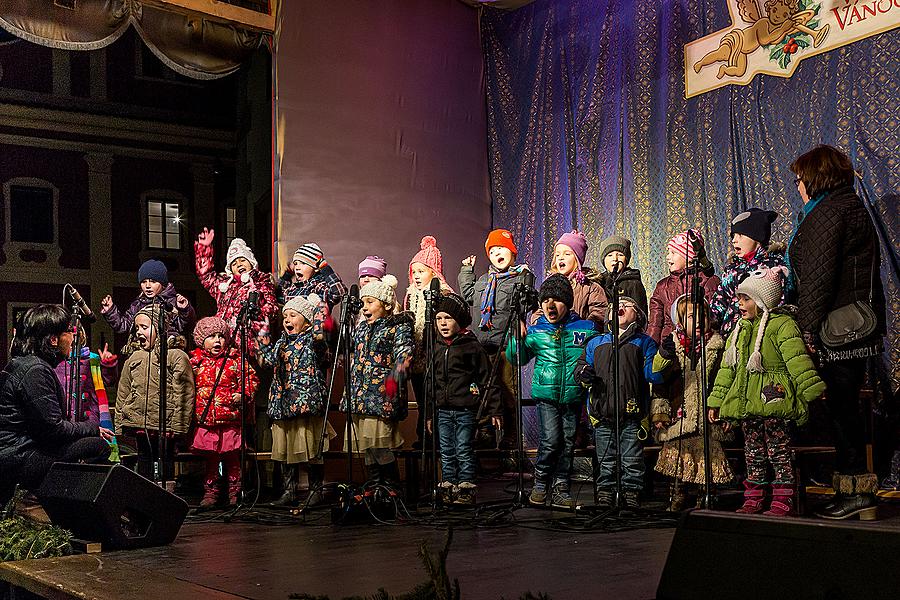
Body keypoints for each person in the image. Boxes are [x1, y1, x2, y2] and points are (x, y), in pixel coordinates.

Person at [786, 144, 887, 520]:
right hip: (850, 328)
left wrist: (807, 333)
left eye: (800, 179)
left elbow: (817, 280)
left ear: (815, 178)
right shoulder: (844, 207)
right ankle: (853, 491)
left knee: (844, 411)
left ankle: (858, 494)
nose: (798, 186)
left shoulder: (829, 212)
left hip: (838, 331)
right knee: (843, 411)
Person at [708, 266, 826, 517]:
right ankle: (754, 497)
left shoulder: (782, 325)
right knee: (753, 453)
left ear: (762, 301)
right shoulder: (739, 330)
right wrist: (716, 401)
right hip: (748, 405)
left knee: (779, 451)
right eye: (739, 297)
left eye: (746, 298)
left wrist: (812, 389)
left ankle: (783, 497)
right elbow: (727, 369)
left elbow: (797, 360)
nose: (739, 303)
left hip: (774, 401)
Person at [0, 305, 113, 504]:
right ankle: (73, 511)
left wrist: (85, 430)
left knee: (89, 443)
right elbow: (54, 431)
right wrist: (93, 428)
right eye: (69, 332)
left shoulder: (26, 364)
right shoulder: (35, 370)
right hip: (17, 458)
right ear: (53, 339)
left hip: (16, 453)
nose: (73, 337)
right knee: (99, 447)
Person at [508, 274, 596, 509]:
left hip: (572, 396)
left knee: (567, 442)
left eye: (556, 299)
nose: (550, 305)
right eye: (545, 300)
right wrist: (516, 338)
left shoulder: (585, 328)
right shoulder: (537, 331)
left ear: (567, 302)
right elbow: (518, 358)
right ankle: (540, 483)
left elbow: (596, 353)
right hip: (546, 396)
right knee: (550, 439)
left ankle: (561, 486)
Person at [576, 296, 664, 510]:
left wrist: (665, 357)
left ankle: (631, 491)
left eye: (627, 305)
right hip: (602, 412)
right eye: (616, 305)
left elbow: (653, 375)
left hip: (632, 414)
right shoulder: (596, 343)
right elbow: (580, 367)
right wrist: (583, 373)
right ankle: (606, 492)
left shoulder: (644, 343)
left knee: (632, 458)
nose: (620, 307)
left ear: (638, 314)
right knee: (605, 459)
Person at [650, 296, 733, 511]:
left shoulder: (718, 346)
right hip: (680, 414)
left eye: (702, 315)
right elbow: (660, 382)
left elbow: (724, 382)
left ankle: (705, 498)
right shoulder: (671, 347)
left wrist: (726, 412)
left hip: (708, 417)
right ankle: (677, 497)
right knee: (679, 458)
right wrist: (660, 412)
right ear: (679, 320)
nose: (697, 321)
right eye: (690, 316)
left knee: (707, 460)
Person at [258, 294, 335, 507]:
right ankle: (289, 490)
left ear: (307, 321)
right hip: (284, 403)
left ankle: (315, 490)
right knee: (286, 449)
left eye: (293, 315)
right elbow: (268, 360)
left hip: (305, 403)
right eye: (285, 316)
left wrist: (319, 319)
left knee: (310, 448)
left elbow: (323, 352)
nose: (287, 319)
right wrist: (263, 330)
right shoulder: (282, 342)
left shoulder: (313, 340)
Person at [426, 293, 501, 505]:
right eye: (439, 319)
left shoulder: (471, 346)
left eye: (448, 318)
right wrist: (430, 414)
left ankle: (466, 487)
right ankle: (449, 485)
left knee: (463, 449)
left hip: (465, 409)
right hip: (442, 410)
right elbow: (432, 382)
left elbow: (487, 378)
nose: (443, 323)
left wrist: (495, 410)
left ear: (459, 320)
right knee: (446, 451)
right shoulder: (437, 347)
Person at [459, 228, 530, 448]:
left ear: (512, 253)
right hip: (482, 346)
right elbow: (468, 295)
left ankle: (511, 436)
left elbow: (526, 304)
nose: (498, 253)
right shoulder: (483, 280)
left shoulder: (518, 278)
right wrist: (466, 271)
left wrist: (527, 280)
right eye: (494, 250)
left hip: (505, 344)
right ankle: (485, 432)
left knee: (507, 389)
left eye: (503, 248)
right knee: (481, 389)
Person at [345, 275, 414, 488]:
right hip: (361, 394)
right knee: (368, 445)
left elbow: (404, 353)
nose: (364, 307)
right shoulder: (361, 328)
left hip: (381, 394)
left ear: (385, 305)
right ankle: (375, 486)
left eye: (370, 302)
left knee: (380, 444)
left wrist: (396, 376)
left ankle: (390, 486)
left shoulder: (397, 326)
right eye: (363, 303)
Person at [116, 304, 195, 481]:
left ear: (160, 328)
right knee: (144, 458)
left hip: (164, 423)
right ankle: (145, 498)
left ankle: (165, 499)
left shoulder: (175, 355)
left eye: (144, 327)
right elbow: (123, 390)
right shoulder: (134, 358)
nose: (139, 332)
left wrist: (178, 425)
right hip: (139, 421)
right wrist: (121, 423)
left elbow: (184, 392)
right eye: (137, 328)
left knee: (165, 459)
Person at [190, 317, 259, 507]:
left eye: (221, 336)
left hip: (230, 419)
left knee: (232, 459)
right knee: (211, 460)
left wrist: (243, 394)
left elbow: (251, 379)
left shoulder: (235, 359)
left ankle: (235, 491)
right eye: (212, 336)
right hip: (207, 421)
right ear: (201, 340)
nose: (217, 340)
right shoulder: (196, 362)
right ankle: (211, 492)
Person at [194, 228, 278, 357]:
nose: (239, 264)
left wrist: (259, 309)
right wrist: (204, 249)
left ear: (251, 262)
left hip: (250, 344)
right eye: (234, 263)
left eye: (242, 260)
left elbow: (272, 308)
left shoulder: (262, 282)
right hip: (225, 343)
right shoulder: (224, 287)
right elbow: (206, 276)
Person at [404, 235, 455, 449]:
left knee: (436, 400)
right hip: (417, 358)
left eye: (421, 271)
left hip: (435, 357)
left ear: (433, 272)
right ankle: (423, 436)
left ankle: (438, 438)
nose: (416, 276)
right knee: (423, 400)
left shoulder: (443, 294)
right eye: (414, 271)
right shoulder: (410, 295)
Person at [710, 208, 786, 336]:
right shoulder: (732, 270)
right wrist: (705, 317)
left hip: (760, 336)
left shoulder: (773, 267)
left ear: (757, 237)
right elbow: (719, 302)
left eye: (740, 235)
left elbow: (779, 304)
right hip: (731, 338)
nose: (734, 240)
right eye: (733, 236)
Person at [648, 229, 720, 344]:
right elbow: (655, 324)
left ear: (690, 257)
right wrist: (649, 348)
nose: (667, 257)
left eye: (673, 253)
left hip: (700, 345)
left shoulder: (709, 281)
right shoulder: (662, 286)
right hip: (669, 346)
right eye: (668, 252)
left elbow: (714, 319)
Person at [100, 259, 196, 337]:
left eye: (153, 281)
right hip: (143, 352)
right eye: (143, 282)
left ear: (162, 284)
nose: (148, 286)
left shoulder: (173, 302)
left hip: (167, 353)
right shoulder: (138, 304)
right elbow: (124, 327)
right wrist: (111, 311)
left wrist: (185, 310)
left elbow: (186, 327)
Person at [532, 230, 608, 327]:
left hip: (578, 338)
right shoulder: (548, 286)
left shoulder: (590, 287)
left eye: (567, 254)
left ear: (577, 259)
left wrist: (583, 328)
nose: (561, 258)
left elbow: (599, 312)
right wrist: (544, 328)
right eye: (557, 255)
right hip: (551, 338)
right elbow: (538, 311)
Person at [277, 243, 348, 309]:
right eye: (295, 264)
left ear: (315, 268)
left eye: (303, 263)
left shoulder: (318, 287)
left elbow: (339, 293)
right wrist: (287, 275)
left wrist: (325, 269)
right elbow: (278, 297)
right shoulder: (292, 289)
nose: (297, 267)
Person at [597, 235, 648, 316]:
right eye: (610, 255)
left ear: (626, 259)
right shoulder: (599, 282)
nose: (615, 259)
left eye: (620, 255)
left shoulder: (634, 283)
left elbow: (641, 314)